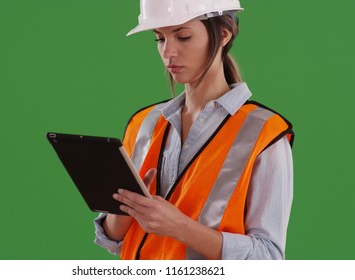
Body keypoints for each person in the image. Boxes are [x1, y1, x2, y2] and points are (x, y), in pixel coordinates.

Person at [94, 0, 294, 260]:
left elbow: (267, 258)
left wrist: (179, 227)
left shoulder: (263, 132)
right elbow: (114, 238)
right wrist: (127, 207)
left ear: (224, 34)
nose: (168, 53)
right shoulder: (144, 123)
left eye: (183, 37)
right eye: (159, 39)